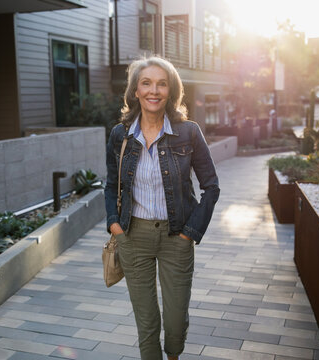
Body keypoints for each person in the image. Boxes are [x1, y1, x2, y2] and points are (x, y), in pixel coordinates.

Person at [104, 56, 220, 360]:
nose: (153, 90)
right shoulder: (120, 135)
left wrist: (190, 233)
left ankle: (173, 356)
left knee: (175, 319)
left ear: (171, 91)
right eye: (146, 83)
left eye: (161, 84)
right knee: (147, 321)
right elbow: (110, 184)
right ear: (136, 91)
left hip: (177, 236)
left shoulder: (188, 133)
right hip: (133, 235)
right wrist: (114, 224)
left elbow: (211, 186)